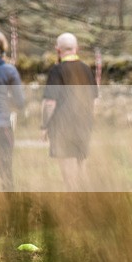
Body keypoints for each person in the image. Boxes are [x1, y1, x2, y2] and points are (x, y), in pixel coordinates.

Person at [41, 33, 98, 191]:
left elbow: (50, 102)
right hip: (84, 125)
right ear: (76, 49)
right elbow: (94, 100)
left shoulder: (57, 71)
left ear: (57, 50)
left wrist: (45, 125)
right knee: (82, 167)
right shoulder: (86, 69)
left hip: (63, 126)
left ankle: (74, 207)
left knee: (68, 171)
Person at [0, 30, 25, 191]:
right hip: (2, 125)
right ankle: (9, 211)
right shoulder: (9, 71)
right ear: (3, 48)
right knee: (6, 171)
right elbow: (20, 102)